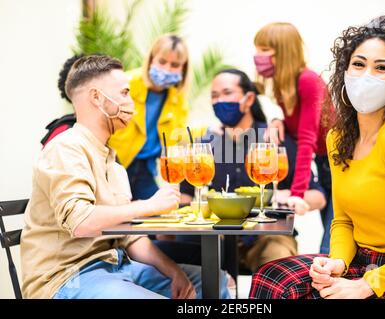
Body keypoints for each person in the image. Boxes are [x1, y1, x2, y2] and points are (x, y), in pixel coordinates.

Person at [249, 15, 385, 299]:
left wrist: (367, 285)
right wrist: (337, 262)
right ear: (345, 71)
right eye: (358, 64)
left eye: (381, 68)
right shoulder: (337, 139)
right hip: (360, 263)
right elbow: (343, 221)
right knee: (272, 278)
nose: (366, 75)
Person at [20, 55, 230, 299]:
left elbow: (128, 236)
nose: (132, 103)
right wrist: (147, 206)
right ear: (97, 98)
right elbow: (80, 222)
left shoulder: (113, 161)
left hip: (117, 266)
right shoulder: (65, 148)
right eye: (124, 93)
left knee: (212, 281)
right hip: (68, 277)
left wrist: (173, 272)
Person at [177, 69, 327, 272]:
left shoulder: (274, 138)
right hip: (214, 240)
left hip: (265, 239)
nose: (219, 100)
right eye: (214, 96)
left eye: (227, 93)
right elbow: (186, 196)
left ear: (248, 99)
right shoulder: (205, 145)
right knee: (181, 256)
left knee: (278, 256)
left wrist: (285, 195)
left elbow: (319, 196)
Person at [253, 22, 335, 253]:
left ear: (283, 52)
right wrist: (278, 121)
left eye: (264, 50)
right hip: (324, 164)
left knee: (332, 245)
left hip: (341, 163)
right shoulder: (284, 86)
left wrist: (297, 194)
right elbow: (297, 128)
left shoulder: (308, 81)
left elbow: (307, 140)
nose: (257, 56)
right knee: (332, 241)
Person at [108, 34, 197, 201]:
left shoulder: (178, 100)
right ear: (151, 60)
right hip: (114, 165)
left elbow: (173, 143)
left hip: (145, 169)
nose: (167, 69)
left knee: (158, 215)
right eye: (162, 62)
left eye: (175, 65)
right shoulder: (125, 84)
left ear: (183, 69)